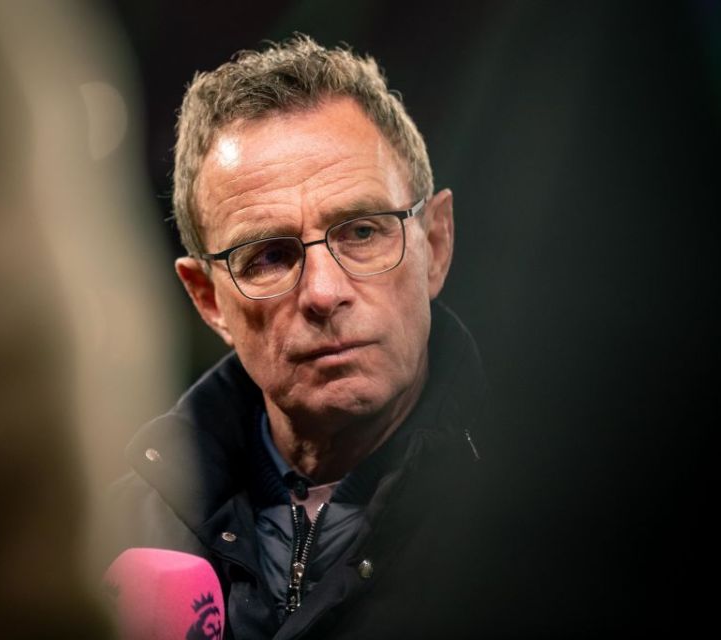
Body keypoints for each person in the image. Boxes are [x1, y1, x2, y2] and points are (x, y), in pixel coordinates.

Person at [111, 35, 494, 639]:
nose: (323, 292)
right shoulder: (110, 536)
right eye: (268, 256)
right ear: (208, 299)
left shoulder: (561, 514)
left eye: (363, 232)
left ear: (436, 245)